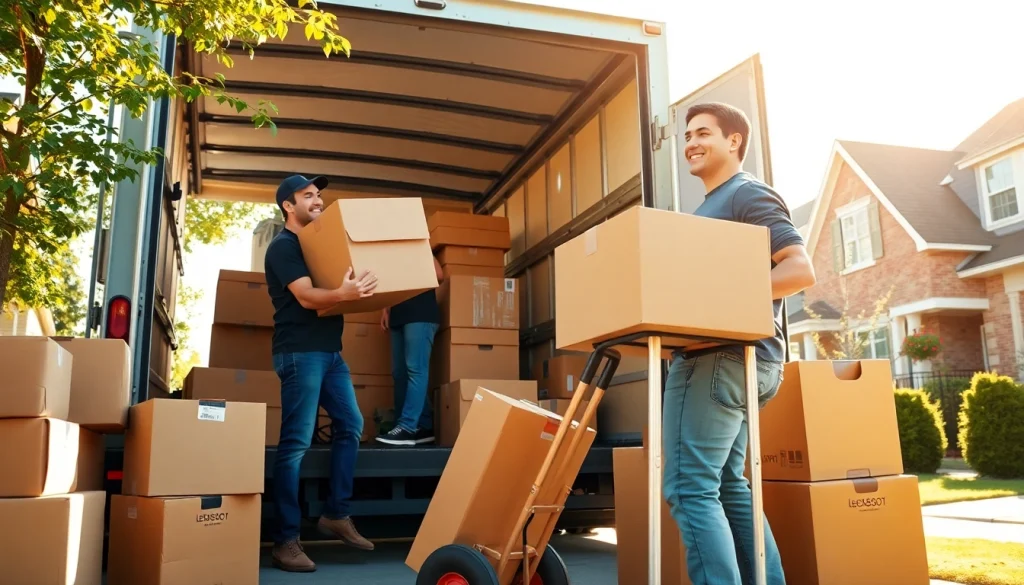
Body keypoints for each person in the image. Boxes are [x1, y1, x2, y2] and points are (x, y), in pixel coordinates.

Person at [663, 102, 816, 585]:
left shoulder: (745, 194)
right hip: (740, 363)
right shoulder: (710, 207)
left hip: (718, 359)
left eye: (703, 132)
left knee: (689, 489)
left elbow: (799, 268)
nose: (691, 142)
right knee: (730, 487)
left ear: (734, 141)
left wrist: (720, 303)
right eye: (687, 135)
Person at [264, 174, 380, 573]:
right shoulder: (284, 247)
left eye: (319, 195)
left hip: (329, 353)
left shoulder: (318, 245)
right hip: (300, 352)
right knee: (295, 443)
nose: (317, 200)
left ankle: (335, 514)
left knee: (351, 423)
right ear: (287, 205)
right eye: (308, 195)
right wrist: (343, 295)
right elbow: (306, 295)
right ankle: (285, 541)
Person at [376, 256, 445, 446]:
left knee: (415, 369)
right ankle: (421, 426)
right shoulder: (388, 249)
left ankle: (407, 426)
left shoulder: (418, 243)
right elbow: (388, 280)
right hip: (398, 314)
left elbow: (439, 275)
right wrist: (386, 309)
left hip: (420, 314)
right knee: (399, 373)